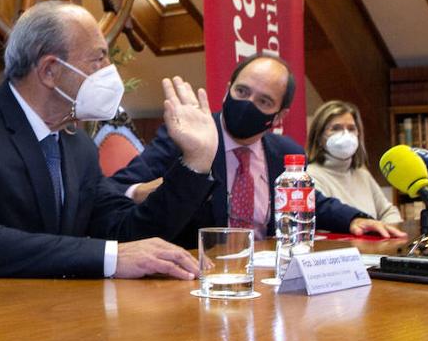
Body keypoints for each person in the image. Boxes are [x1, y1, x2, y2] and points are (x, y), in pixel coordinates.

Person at [0, 1, 220, 281]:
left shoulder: (77, 145)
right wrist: (108, 256)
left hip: (49, 319)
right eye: (98, 60)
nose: (109, 74)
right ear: (50, 71)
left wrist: (196, 162)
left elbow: (127, 233)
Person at [110, 54, 406, 240]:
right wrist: (147, 190)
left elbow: (311, 199)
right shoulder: (186, 137)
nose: (248, 104)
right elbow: (117, 189)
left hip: (267, 280)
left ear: (279, 116)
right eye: (241, 91)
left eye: (264, 101)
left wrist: (354, 218)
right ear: (227, 90)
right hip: (200, 277)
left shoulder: (283, 152)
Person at [306, 100, 403, 226]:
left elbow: (388, 211)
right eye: (336, 128)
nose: (346, 134)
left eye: (351, 128)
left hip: (373, 244)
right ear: (319, 136)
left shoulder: (362, 175)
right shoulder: (310, 176)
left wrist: (388, 231)